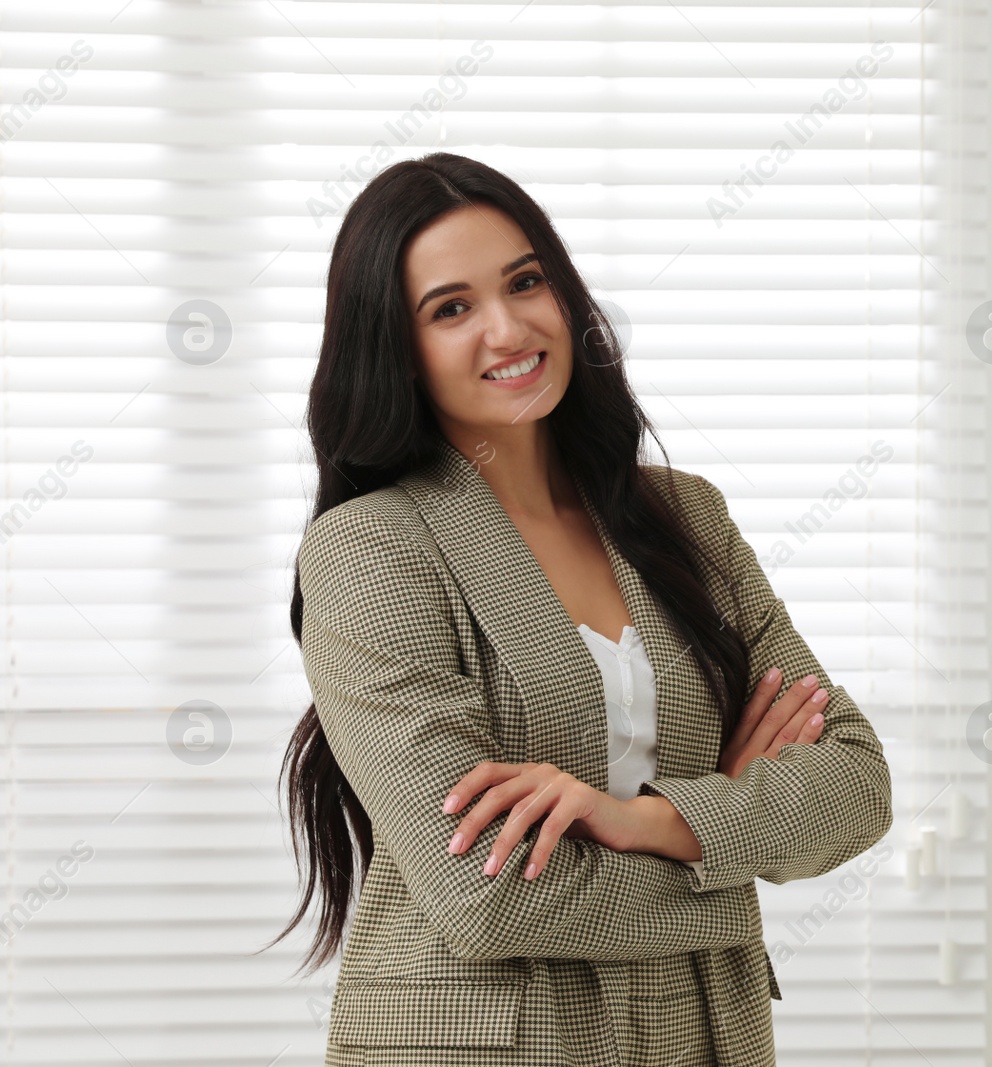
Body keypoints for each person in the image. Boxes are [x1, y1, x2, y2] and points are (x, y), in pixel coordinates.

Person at [266, 152, 894, 1066]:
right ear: (395, 349)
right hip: (483, 1039)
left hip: (704, 1033)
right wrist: (729, 856)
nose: (509, 327)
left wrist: (645, 818)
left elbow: (856, 787)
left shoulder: (686, 517)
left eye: (527, 282)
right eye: (452, 308)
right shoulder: (373, 550)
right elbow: (483, 895)